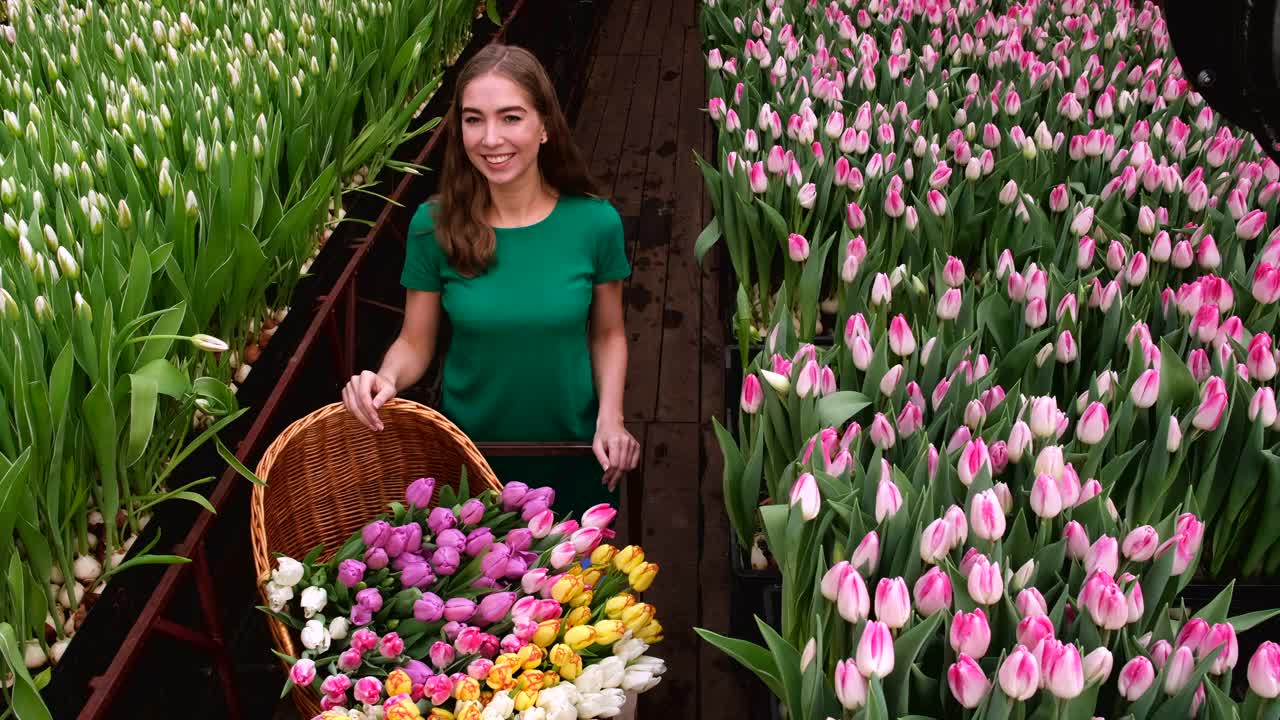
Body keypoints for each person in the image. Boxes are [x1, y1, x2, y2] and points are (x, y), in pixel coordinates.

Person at [341, 43, 641, 518]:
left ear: (544, 126)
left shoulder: (595, 223)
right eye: (473, 119)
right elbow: (415, 342)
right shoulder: (432, 225)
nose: (490, 138)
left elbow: (608, 334)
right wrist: (385, 378)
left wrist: (611, 419)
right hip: (469, 463)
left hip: (576, 455)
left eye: (511, 117)